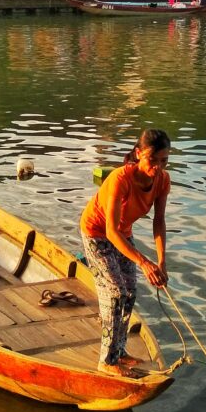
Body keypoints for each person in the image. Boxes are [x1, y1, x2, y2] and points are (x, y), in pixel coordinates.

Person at [80, 129, 171, 377]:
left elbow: (159, 221)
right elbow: (110, 230)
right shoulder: (121, 178)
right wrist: (144, 262)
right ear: (139, 154)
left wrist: (161, 262)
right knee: (116, 293)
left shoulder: (162, 180)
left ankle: (119, 352)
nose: (157, 167)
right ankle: (106, 361)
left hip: (123, 233)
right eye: (153, 161)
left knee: (130, 291)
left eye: (163, 161)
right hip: (97, 233)